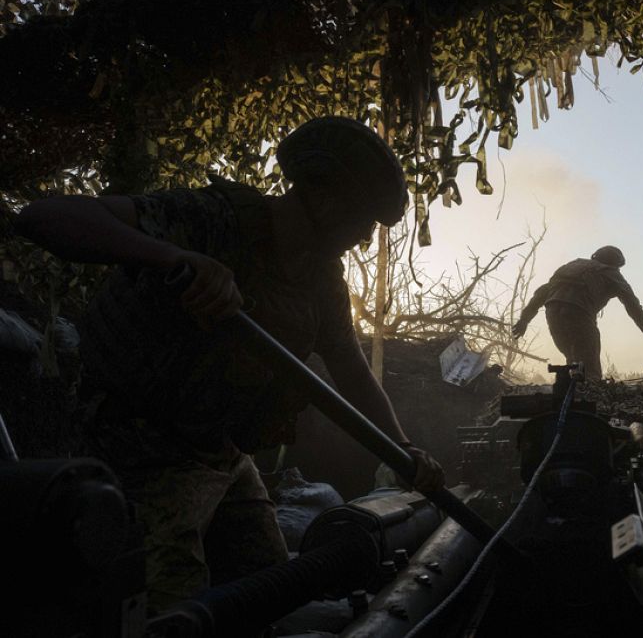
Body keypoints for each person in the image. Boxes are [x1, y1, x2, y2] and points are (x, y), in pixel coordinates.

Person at [14, 116, 444, 612]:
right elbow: (43, 217)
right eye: (361, 220)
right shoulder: (213, 219)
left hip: (222, 453)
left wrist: (403, 449)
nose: (364, 237)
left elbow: (351, 371)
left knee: (271, 591)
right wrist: (174, 258)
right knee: (172, 614)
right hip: (139, 449)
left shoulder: (322, 281)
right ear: (324, 198)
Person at [512, 246, 643, 379]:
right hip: (579, 316)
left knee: (574, 364)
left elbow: (541, 293)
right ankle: (588, 412)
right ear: (616, 264)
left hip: (553, 316)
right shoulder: (611, 273)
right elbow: (635, 310)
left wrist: (524, 320)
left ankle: (567, 408)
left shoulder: (570, 266)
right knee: (590, 373)